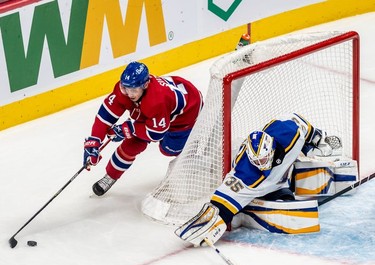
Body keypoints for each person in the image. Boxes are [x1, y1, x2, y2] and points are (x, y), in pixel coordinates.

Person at [175, 113, 342, 246]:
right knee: (285, 202)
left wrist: (318, 138)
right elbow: (220, 204)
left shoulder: (290, 134)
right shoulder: (246, 172)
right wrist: (215, 224)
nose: (262, 164)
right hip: (261, 189)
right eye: (257, 161)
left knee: (289, 191)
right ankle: (247, 206)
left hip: (283, 178)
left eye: (263, 160)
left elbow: (299, 122)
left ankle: (284, 184)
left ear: (271, 149)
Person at [83, 61, 203, 196]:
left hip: (186, 113)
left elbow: (156, 133)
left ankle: (194, 148)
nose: (128, 93)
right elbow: (105, 115)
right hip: (157, 113)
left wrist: (128, 129)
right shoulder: (125, 90)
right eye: (125, 88)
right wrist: (94, 139)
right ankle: (110, 176)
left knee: (168, 149)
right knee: (131, 145)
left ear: (145, 85)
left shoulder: (156, 101)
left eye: (133, 90)